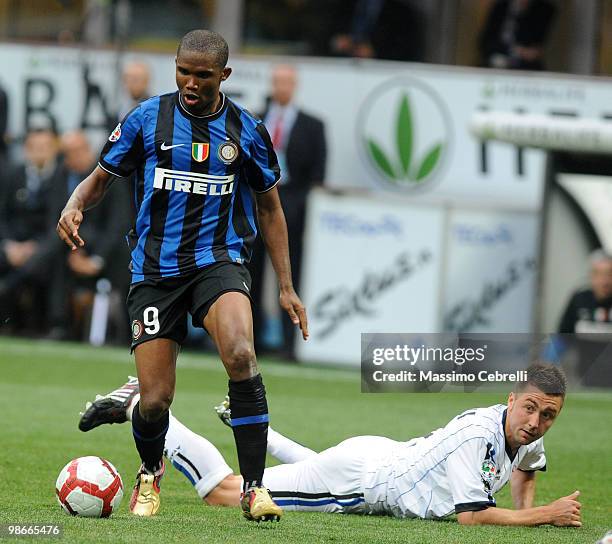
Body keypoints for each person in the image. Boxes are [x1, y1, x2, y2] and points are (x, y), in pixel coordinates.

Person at [56, 29, 308, 521]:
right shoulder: (148, 118)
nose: (191, 83)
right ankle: (150, 472)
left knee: (240, 352)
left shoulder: (247, 130)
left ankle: (254, 489)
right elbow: (102, 176)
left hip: (219, 262)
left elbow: (271, 207)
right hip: (154, 271)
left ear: (224, 76)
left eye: (203, 75)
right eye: (183, 72)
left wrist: (286, 285)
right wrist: (75, 202)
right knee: (155, 399)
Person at [79, 363, 581, 527]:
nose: (536, 422)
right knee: (225, 491)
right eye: (530, 408)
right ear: (511, 399)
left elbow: (527, 467)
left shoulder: (523, 433)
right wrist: (545, 516)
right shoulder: (479, 433)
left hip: (380, 454)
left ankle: (261, 435)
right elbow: (472, 517)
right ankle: (139, 403)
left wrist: (528, 503)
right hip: (361, 483)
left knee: (306, 470)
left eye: (548, 416)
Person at [250, 64, 326, 358]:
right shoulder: (255, 120)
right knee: (250, 277)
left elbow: (317, 174)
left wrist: (299, 206)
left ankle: (288, 344)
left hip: (291, 210)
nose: (281, 88)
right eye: (277, 82)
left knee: (289, 276)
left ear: (294, 86)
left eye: (287, 83)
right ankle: (251, 340)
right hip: (257, 207)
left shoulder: (312, 125)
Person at [0, 129, 66, 333]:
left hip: (43, 245)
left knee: (53, 259)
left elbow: (58, 220)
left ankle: (56, 324)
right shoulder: (12, 174)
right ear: (26, 150)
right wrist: (9, 245)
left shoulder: (62, 177)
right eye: (34, 148)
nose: (40, 153)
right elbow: (3, 214)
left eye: (45, 148)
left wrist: (34, 248)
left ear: (55, 149)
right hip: (11, 244)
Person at [478, 0, 556, 71]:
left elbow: (534, 48)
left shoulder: (544, 9)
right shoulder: (500, 7)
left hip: (526, 67)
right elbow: (485, 42)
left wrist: (521, 10)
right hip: (495, 60)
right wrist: (516, 50)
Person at [558, 249, 612, 334]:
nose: (604, 281)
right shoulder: (579, 299)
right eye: (598, 274)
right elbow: (563, 335)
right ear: (591, 276)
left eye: (609, 274)